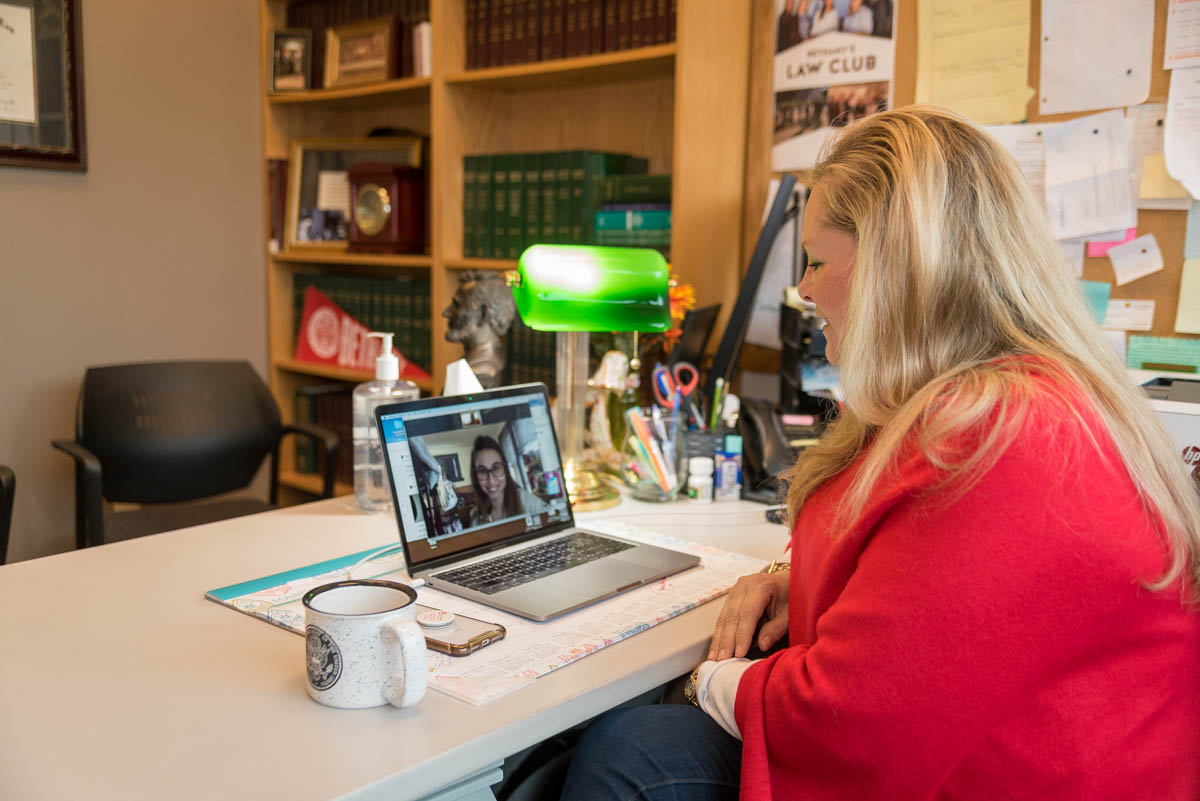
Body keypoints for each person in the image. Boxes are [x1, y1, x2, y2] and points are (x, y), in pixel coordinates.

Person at [559, 106, 1200, 800]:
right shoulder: (1012, 396)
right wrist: (790, 580)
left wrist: (703, 681)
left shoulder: (997, 437)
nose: (803, 290)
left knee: (628, 748)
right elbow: (923, 588)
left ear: (894, 263)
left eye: (815, 260)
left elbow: (849, 718)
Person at [469, 435, 547, 526]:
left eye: (496, 468)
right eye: (482, 471)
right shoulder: (477, 519)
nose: (491, 481)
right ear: (475, 476)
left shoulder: (527, 501)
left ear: (505, 469)